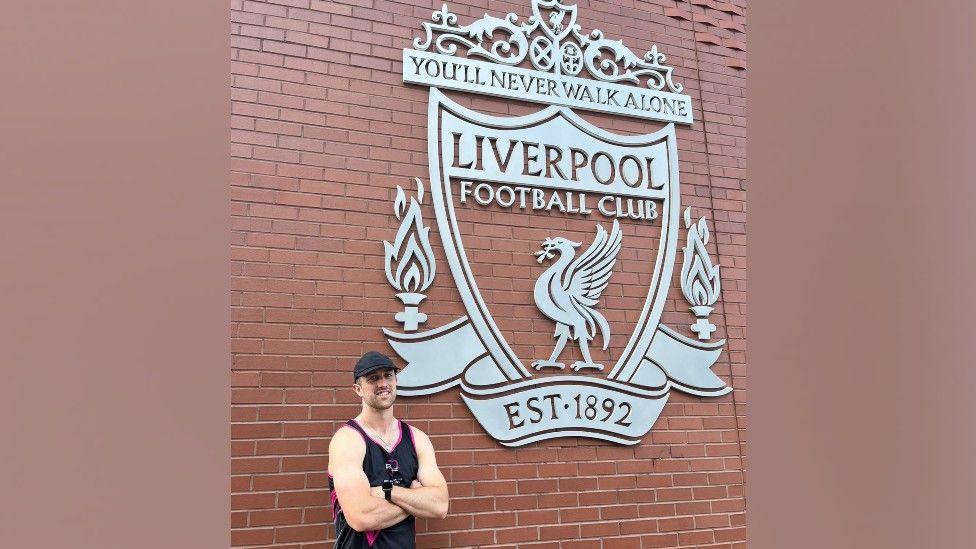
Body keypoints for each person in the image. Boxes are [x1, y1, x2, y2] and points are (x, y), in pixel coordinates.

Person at [327, 351, 449, 548]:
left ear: (396, 381)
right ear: (358, 389)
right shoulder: (348, 440)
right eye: (373, 378)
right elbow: (361, 517)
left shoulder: (417, 438)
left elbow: (440, 506)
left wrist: (387, 492)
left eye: (388, 375)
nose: (383, 383)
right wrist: (414, 498)